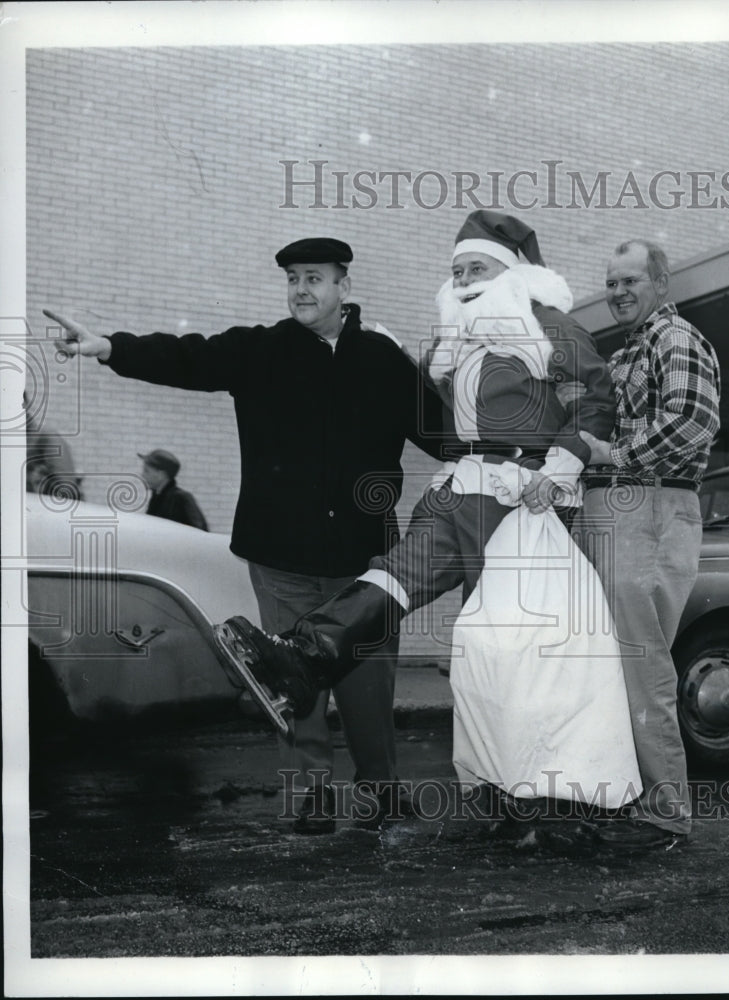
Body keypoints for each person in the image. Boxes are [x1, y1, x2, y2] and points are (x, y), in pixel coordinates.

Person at [219, 211, 644, 847]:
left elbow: (596, 397)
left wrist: (560, 464)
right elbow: (442, 428)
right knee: (432, 610)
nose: (465, 279)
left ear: (511, 272)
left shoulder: (547, 323)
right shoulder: (463, 341)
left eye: (477, 267)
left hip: (523, 495)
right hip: (469, 485)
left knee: (522, 649)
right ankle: (305, 659)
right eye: (457, 270)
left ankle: (557, 798)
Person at [44, 236, 453, 835]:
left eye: (314, 278)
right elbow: (187, 357)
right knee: (291, 682)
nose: (301, 289)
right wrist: (110, 347)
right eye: (292, 279)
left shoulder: (385, 362)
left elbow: (444, 439)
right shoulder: (261, 350)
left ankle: (381, 790)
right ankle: (310, 797)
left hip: (363, 561)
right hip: (280, 555)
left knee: (368, 683)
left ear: (345, 287)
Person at [573, 238, 721, 851]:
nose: (619, 292)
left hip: (650, 505)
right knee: (614, 665)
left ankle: (665, 813)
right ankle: (633, 800)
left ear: (662, 283)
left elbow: (693, 419)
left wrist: (617, 454)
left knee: (641, 665)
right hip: (625, 508)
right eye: (611, 282)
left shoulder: (673, 337)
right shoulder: (633, 348)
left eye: (632, 280)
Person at [138, 448, 209, 531]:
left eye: (146, 471)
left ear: (160, 475)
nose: (142, 475)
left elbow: (201, 533)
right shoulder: (156, 497)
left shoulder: (181, 498)